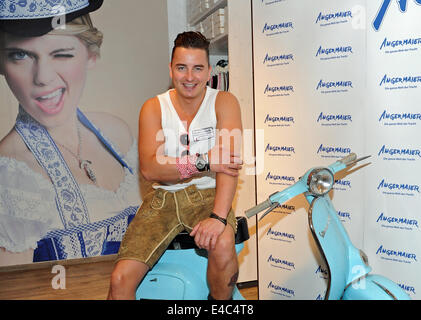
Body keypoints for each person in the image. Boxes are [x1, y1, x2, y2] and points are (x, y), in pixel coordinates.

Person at [0, 0, 141, 266]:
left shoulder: (117, 133)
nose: (42, 77)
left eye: (61, 53)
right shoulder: (9, 176)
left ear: (91, 55)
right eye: (20, 55)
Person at [108, 31, 243, 300]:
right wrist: (204, 162)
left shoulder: (224, 102)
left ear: (208, 72)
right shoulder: (153, 107)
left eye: (197, 68)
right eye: (182, 68)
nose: (189, 77)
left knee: (224, 243)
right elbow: (151, 169)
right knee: (119, 279)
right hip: (162, 199)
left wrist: (218, 218)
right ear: (171, 70)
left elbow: (228, 167)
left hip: (208, 196)